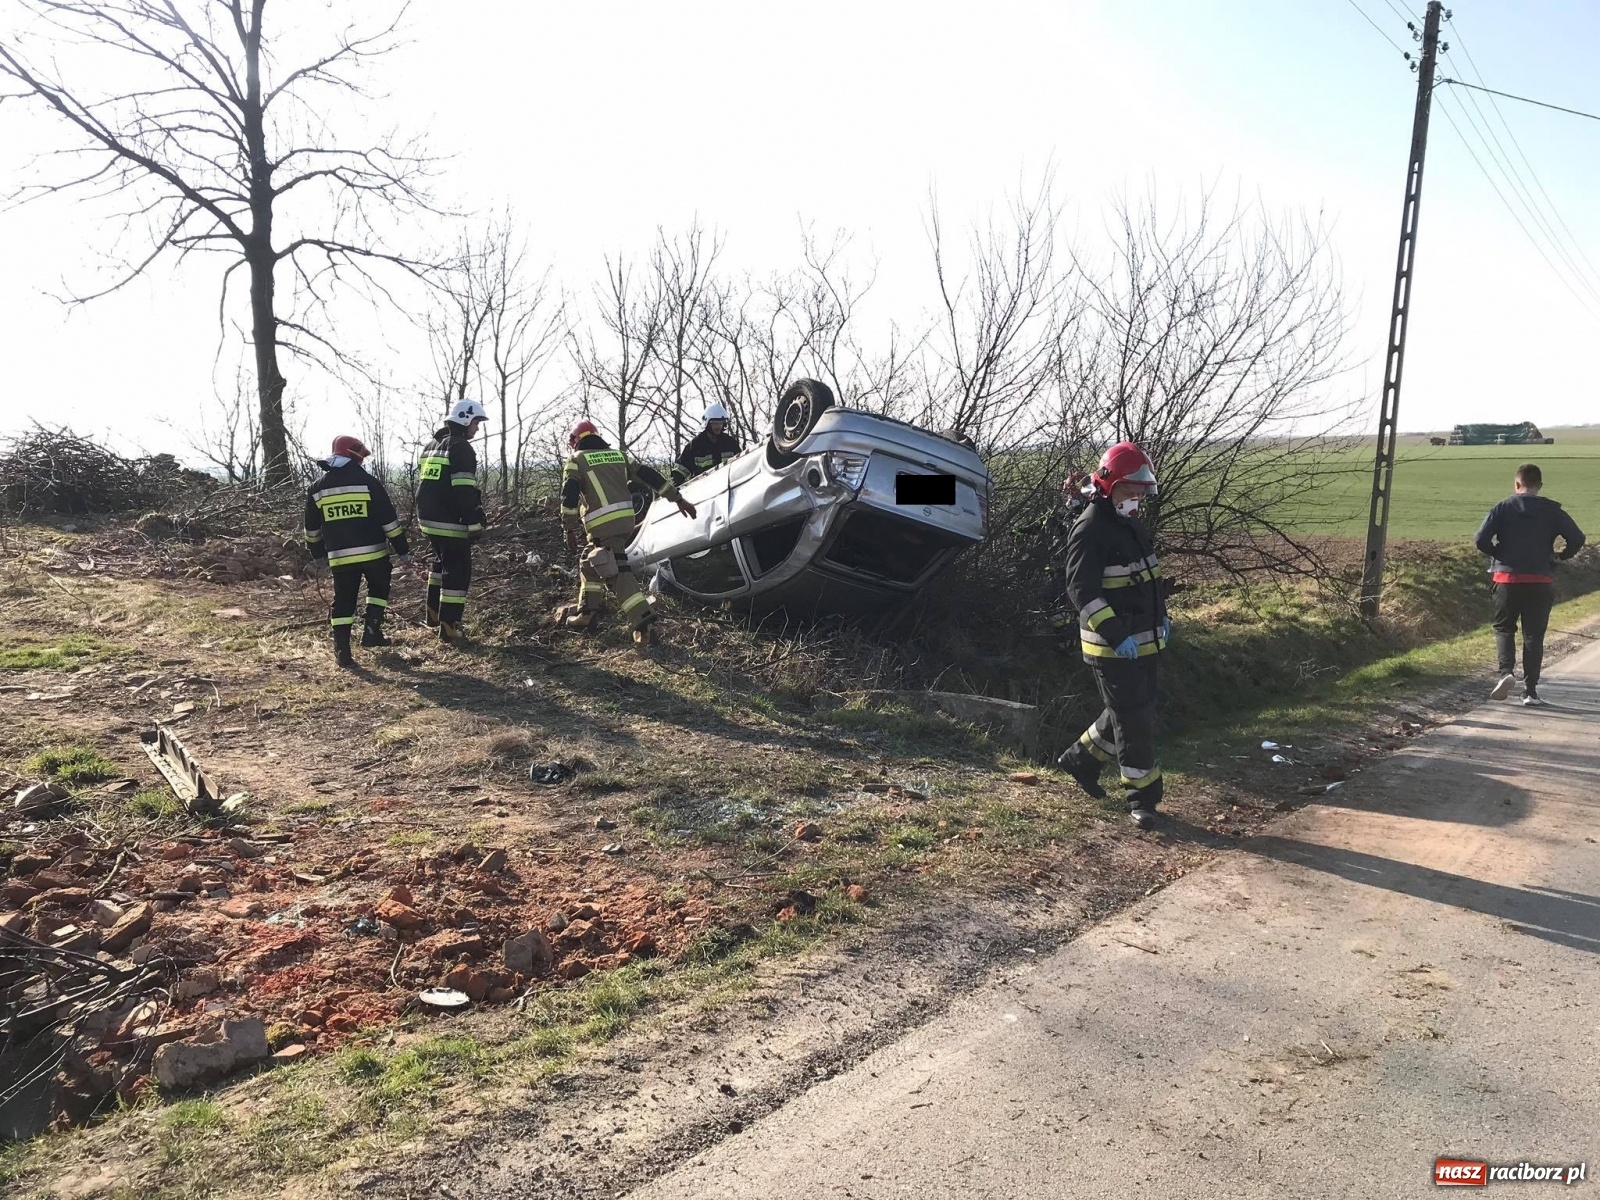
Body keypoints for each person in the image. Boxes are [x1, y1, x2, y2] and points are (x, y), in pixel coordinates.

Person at [1056, 442, 1170, 828]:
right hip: (1111, 647)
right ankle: (1143, 800)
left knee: (1129, 710)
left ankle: (1079, 760)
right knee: (1134, 719)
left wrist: (1162, 619)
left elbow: (1150, 582)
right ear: (1108, 485)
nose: (1136, 497)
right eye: (1130, 489)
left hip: (1145, 641)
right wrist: (1117, 634)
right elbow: (1082, 592)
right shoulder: (1090, 529)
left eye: (1141, 491)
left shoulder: (1131, 525)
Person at [559, 420, 697, 646]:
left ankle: (644, 623)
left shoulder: (576, 460)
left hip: (603, 524)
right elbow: (650, 476)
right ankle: (587, 613)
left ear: (575, 441)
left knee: (616, 572)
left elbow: (569, 497)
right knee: (589, 561)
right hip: (626, 521)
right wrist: (678, 498)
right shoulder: (619, 455)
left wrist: (568, 528)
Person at [1475, 462, 1586, 707]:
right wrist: (1561, 556)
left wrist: (1498, 554)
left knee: (1504, 628)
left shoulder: (1502, 508)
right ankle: (1531, 692)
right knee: (1534, 635)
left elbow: (1480, 538)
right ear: (1540, 485)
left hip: (1506, 579)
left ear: (1517, 484)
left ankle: (1506, 674)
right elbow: (1577, 538)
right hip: (1540, 579)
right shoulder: (1552, 510)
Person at [303, 435, 410, 667]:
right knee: (379, 589)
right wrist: (403, 550)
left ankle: (342, 651)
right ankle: (372, 632)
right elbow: (389, 521)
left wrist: (317, 554)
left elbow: (311, 530)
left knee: (344, 600)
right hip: (374, 554)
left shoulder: (317, 489)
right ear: (355, 456)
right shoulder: (369, 483)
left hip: (340, 558)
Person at [415, 398, 488, 647]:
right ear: (465, 419)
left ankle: (433, 613)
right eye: (476, 423)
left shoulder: (430, 446)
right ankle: (449, 625)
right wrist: (473, 522)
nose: (477, 429)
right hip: (450, 521)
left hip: (428, 520)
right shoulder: (460, 448)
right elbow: (463, 490)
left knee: (441, 564)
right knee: (458, 572)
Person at [672, 403, 742, 485]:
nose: (718, 426)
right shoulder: (695, 446)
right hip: (704, 491)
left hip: (727, 488)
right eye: (715, 423)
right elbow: (680, 471)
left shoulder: (730, 443)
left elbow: (741, 465)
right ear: (707, 423)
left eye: (720, 423)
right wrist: (674, 488)